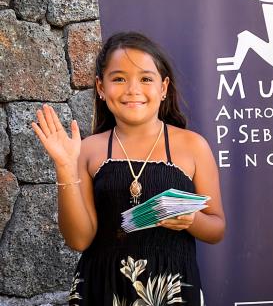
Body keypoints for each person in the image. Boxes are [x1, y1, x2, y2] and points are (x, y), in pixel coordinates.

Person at [32, 32, 225, 305]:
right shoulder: (87, 150)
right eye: (119, 78)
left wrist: (191, 220)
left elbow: (217, 228)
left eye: (146, 78)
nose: (133, 89)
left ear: (163, 87)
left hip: (171, 289)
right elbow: (79, 240)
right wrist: (65, 167)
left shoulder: (193, 146)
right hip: (101, 288)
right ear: (101, 87)